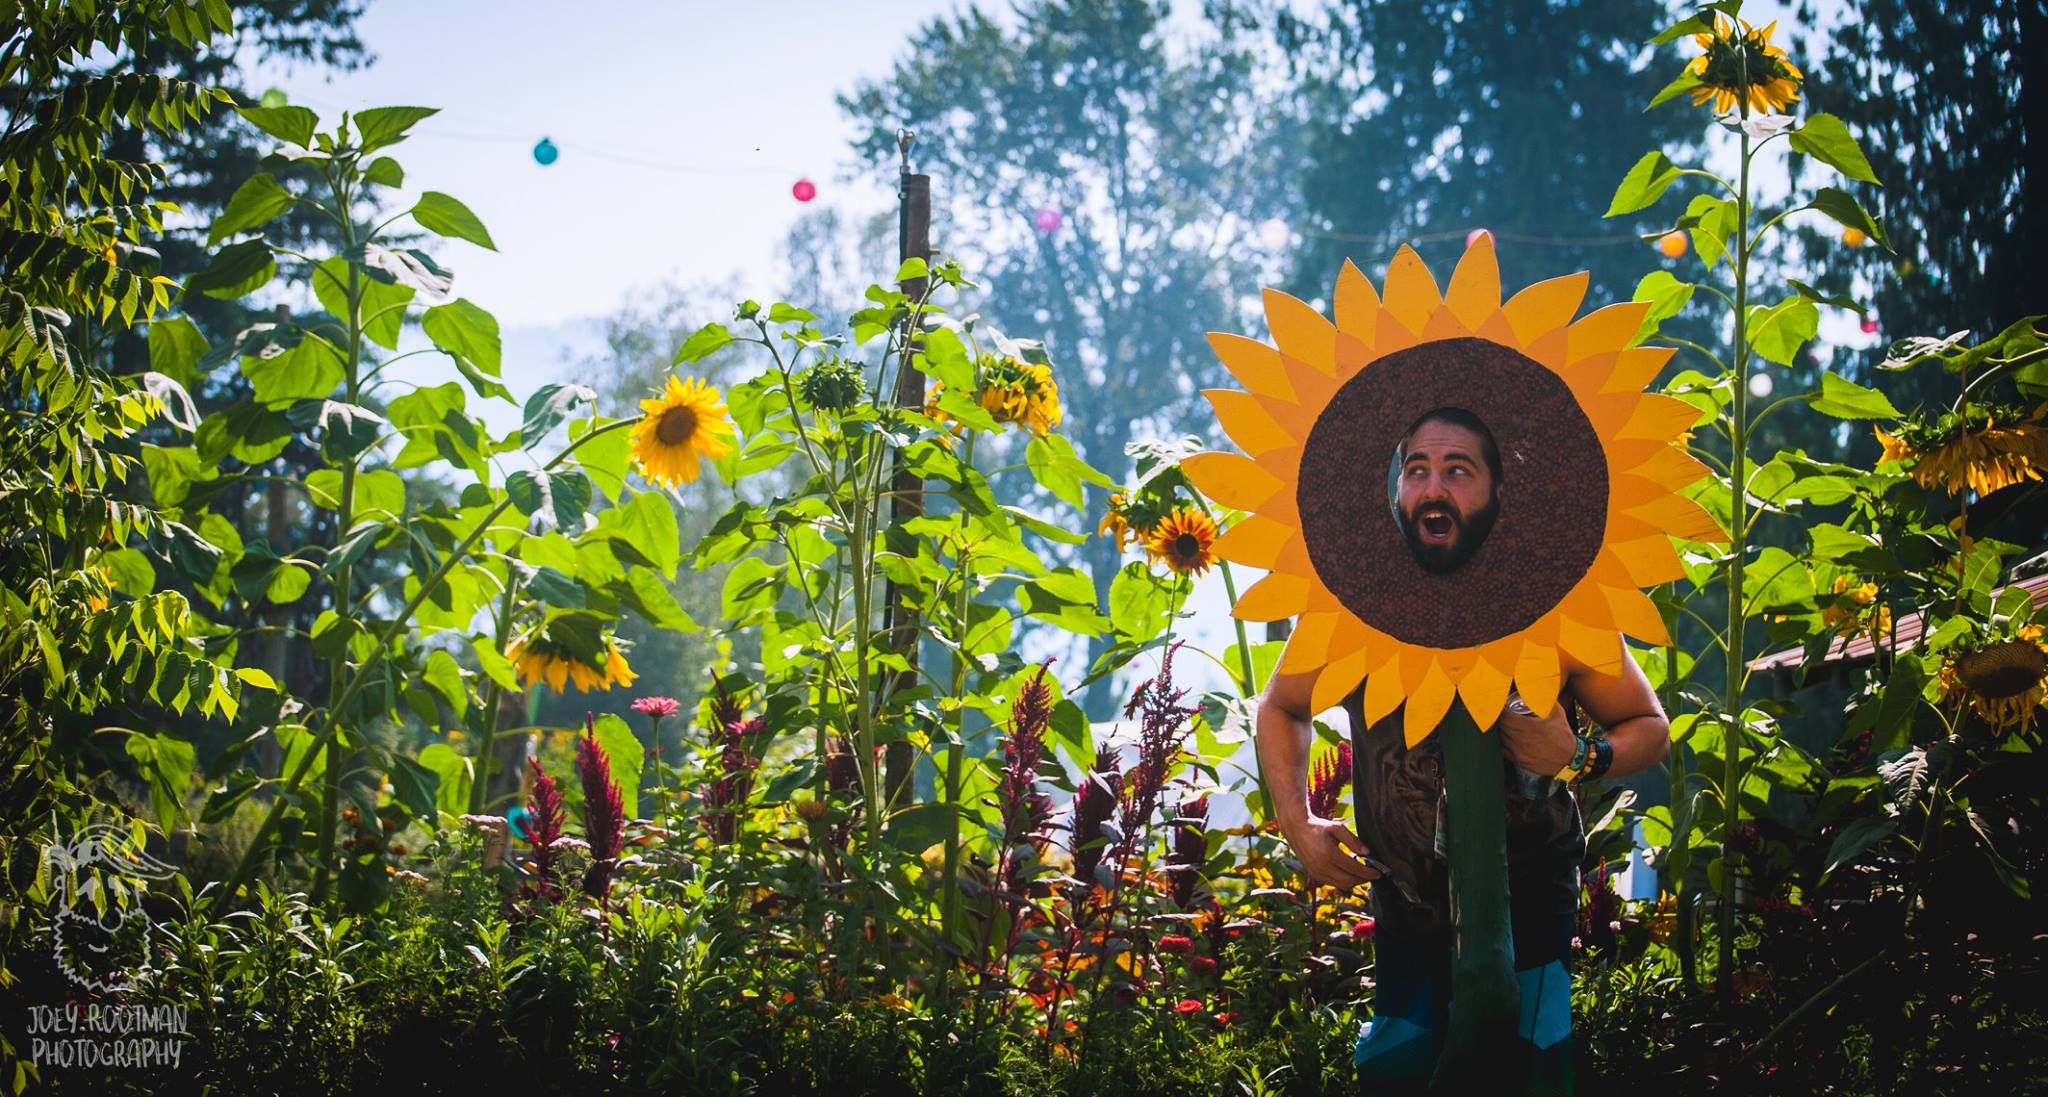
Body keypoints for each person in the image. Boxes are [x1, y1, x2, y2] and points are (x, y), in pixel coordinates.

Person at [1254, 407, 1672, 1088]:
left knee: (1531, 1078)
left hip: (1532, 917)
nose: (1432, 487)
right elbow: (1282, 705)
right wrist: (1297, 823)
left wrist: (1579, 756)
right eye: (1416, 469)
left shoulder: (1559, 602)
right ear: (1396, 490)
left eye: (1457, 470)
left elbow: (1650, 727)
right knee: (1401, 1075)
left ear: (1499, 488)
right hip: (1407, 917)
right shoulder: (1352, 603)